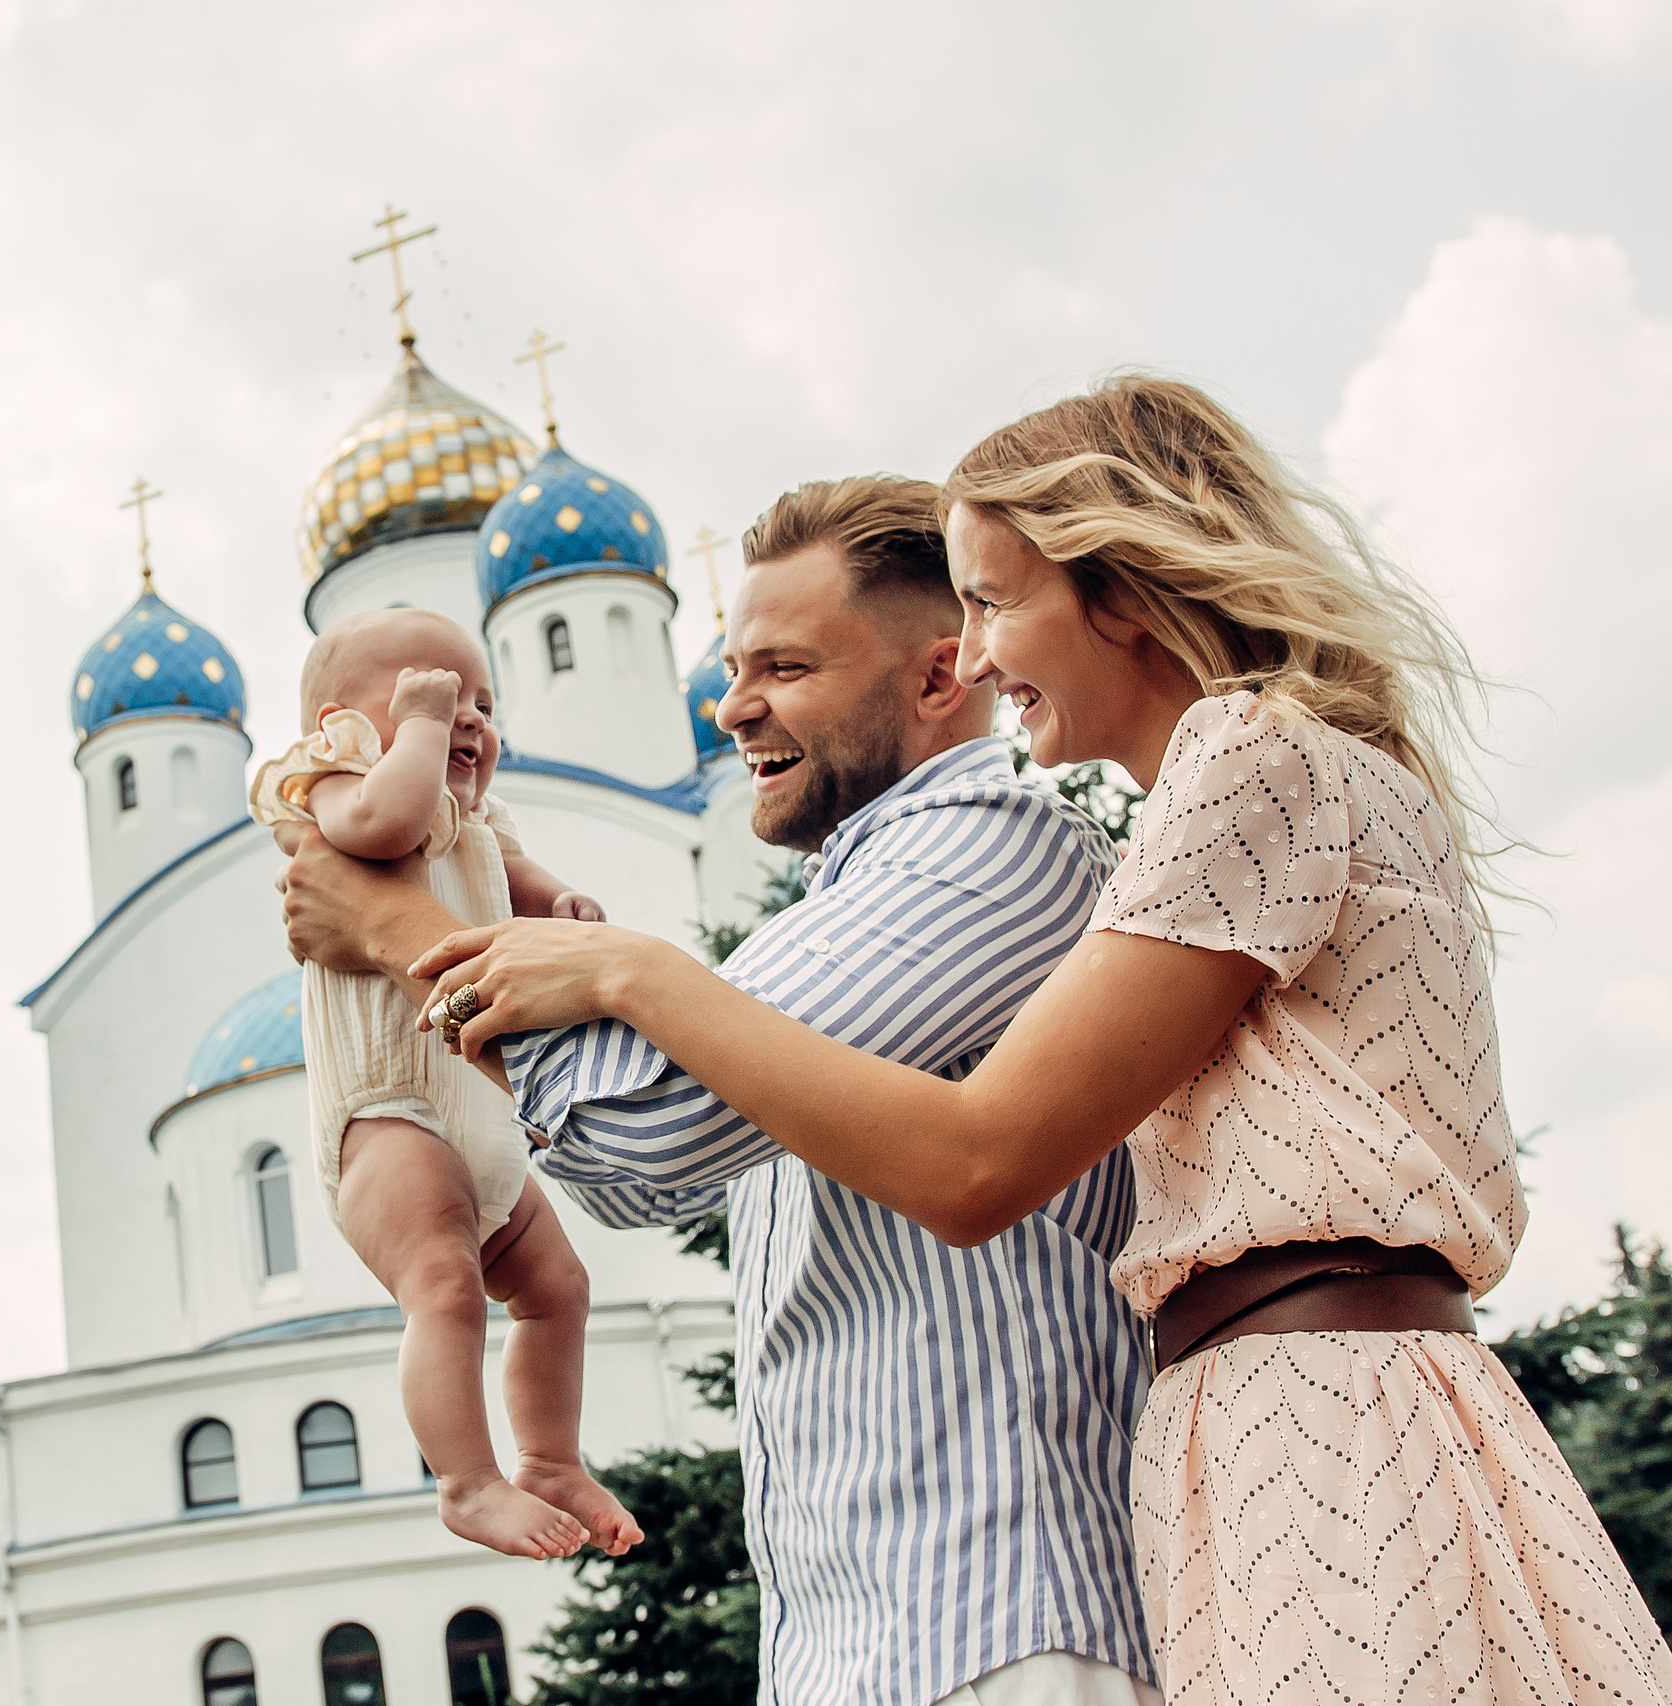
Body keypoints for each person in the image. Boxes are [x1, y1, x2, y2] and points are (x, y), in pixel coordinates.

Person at [405, 380, 1672, 1701]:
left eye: (996, 602)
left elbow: (974, 1163)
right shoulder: (1240, 786)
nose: (982, 654)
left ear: (1120, 588)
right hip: (1265, 1410)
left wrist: (621, 967)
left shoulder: (1252, 752)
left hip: (1313, 1415)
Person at [279, 478, 1161, 1706]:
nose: (730, 702)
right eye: (735, 662)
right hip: (886, 1629)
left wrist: (399, 928)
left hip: (1001, 1610)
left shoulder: (983, 841)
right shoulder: (857, 890)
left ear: (938, 675)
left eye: (785, 667)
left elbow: (642, 1133)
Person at [249, 607, 642, 1562]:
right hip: (387, 1114)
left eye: (481, 704)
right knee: (445, 1287)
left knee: (558, 1288)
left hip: (476, 1120)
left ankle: (549, 1457)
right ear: (341, 723)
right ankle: (466, 1481)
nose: (464, 719)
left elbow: (512, 872)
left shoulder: (475, 816)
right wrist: (417, 736)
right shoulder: (329, 785)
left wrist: (562, 906)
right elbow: (385, 829)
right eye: (431, 695)